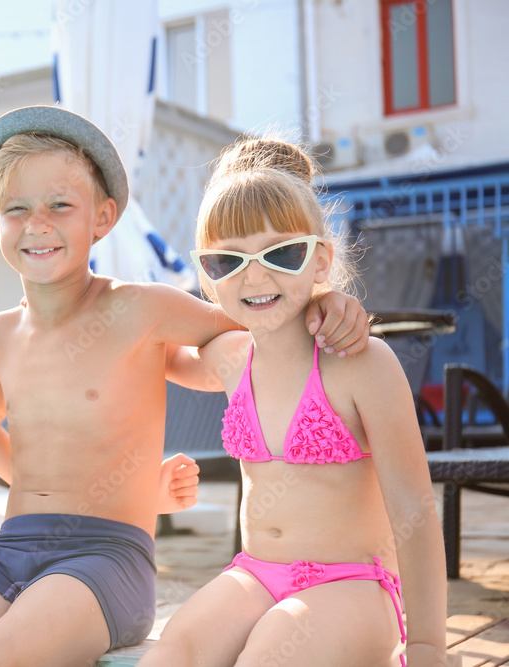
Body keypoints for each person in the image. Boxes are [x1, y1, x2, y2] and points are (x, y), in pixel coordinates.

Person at [0, 106, 371, 666]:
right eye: (17, 209)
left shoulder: (140, 309)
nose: (38, 224)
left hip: (107, 557)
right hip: (10, 547)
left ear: (102, 216)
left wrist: (323, 301)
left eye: (60, 205)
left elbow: (261, 319)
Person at [139, 137, 446, 666]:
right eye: (226, 261)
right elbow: (153, 349)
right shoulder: (231, 357)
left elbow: (415, 511)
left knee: (270, 656)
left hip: (352, 583)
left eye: (282, 253)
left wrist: (426, 646)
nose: (255, 276)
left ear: (321, 258)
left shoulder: (361, 363)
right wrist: (78, 304)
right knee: (172, 655)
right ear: (205, 273)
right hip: (254, 573)